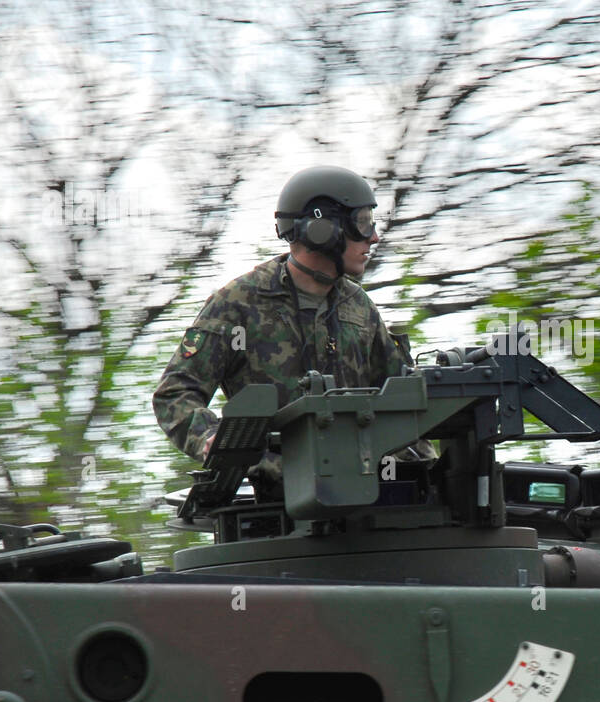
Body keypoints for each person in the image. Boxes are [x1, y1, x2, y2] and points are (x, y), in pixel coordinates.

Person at [153, 165, 425, 493]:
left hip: (362, 496)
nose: (374, 237)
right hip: (273, 500)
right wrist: (218, 444)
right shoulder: (238, 303)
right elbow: (175, 395)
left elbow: (403, 403)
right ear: (323, 229)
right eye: (363, 223)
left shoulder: (359, 305)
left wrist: (427, 476)